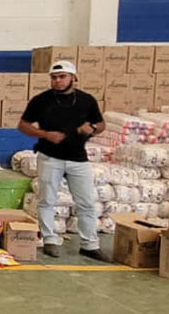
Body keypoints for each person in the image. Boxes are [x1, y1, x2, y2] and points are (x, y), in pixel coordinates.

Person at [18, 60, 107, 261]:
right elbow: (23, 125)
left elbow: (101, 124)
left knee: (86, 203)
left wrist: (93, 129)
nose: (57, 81)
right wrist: (45, 134)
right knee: (47, 200)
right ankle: (49, 239)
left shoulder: (86, 100)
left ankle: (90, 245)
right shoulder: (41, 100)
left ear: (73, 78)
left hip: (78, 159)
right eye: (54, 77)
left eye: (62, 77)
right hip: (50, 157)